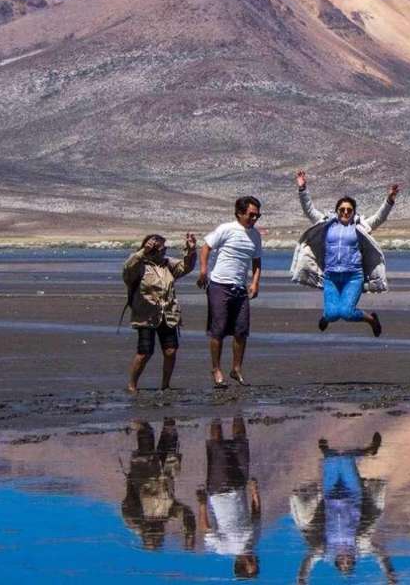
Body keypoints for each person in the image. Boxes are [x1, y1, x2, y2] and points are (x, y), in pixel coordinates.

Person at [290, 170, 397, 337]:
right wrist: (303, 189)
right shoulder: (326, 224)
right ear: (337, 211)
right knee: (333, 315)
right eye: (342, 210)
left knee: (346, 313)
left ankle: (371, 320)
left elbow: (379, 218)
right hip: (331, 277)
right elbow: (309, 210)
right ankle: (327, 316)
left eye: (349, 210)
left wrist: (389, 200)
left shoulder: (360, 227)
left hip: (353, 277)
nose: (345, 212)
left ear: (353, 212)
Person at [292, 432, 394, 584]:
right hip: (352, 494)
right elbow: (380, 554)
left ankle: (328, 451)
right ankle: (369, 450)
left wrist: (302, 579)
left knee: (331, 458)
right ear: (353, 561)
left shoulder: (326, 550)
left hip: (330, 494)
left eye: (342, 564)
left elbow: (309, 559)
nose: (346, 561)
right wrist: (389, 574)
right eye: (349, 563)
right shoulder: (360, 547)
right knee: (345, 458)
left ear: (337, 562)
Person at [198, 196, 263, 388]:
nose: (254, 219)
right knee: (218, 330)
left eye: (257, 215)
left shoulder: (255, 235)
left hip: (240, 287)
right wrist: (203, 271)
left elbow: (257, 261)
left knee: (241, 330)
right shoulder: (226, 229)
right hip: (220, 284)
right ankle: (216, 369)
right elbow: (206, 247)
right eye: (251, 215)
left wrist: (255, 282)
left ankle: (236, 369)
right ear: (240, 213)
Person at [122, 232, 197, 393]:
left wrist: (191, 251)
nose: (165, 251)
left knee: (171, 351)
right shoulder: (139, 264)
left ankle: (165, 385)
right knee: (144, 353)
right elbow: (127, 269)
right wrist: (143, 251)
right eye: (162, 249)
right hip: (146, 315)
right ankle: (132, 384)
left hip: (167, 314)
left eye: (165, 248)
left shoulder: (167, 264)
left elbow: (186, 267)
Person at [197, 417, 261, 579]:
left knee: (217, 446)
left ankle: (216, 412)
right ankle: (237, 409)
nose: (256, 563)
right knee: (240, 444)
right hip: (239, 485)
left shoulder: (224, 548)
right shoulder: (254, 541)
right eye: (256, 566)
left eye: (252, 567)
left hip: (219, 491)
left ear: (241, 565)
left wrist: (202, 504)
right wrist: (254, 491)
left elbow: (206, 530)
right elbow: (256, 514)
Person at [121, 419, 195, 551]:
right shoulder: (168, 515)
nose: (155, 534)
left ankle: (142, 410)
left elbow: (128, 502)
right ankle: (168, 409)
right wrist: (190, 533)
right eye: (157, 538)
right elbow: (186, 512)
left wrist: (131, 481)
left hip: (144, 475)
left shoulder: (135, 521)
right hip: (166, 471)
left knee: (145, 435)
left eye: (152, 538)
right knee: (170, 433)